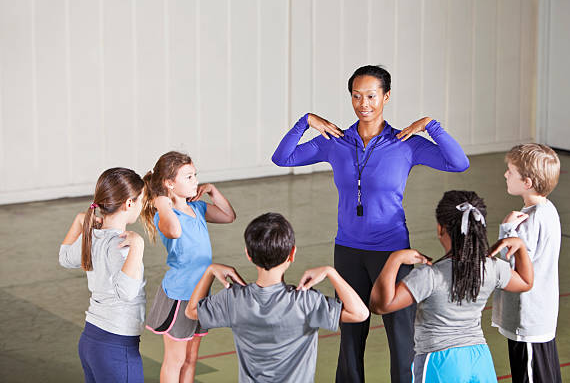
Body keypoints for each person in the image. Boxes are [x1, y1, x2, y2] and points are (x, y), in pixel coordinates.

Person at [271, 64, 469, 382]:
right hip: (348, 249)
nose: (364, 104)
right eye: (356, 96)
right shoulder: (335, 141)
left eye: (371, 96)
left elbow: (458, 162)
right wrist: (305, 122)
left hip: (391, 251)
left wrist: (431, 126)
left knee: (402, 338)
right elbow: (283, 158)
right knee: (350, 335)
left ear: (386, 97)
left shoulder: (404, 143)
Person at [370, 190, 534, 382]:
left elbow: (380, 305)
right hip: (479, 359)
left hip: (440, 361)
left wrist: (394, 259)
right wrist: (520, 247)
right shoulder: (491, 267)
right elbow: (525, 281)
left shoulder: (430, 276)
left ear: (441, 229)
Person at [184, 212, 369, 383]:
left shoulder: (233, 299)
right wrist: (331, 272)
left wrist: (209, 271)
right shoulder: (305, 302)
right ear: (292, 254)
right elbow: (360, 313)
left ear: (248, 254)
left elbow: (191, 312)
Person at [141, 151, 236, 383]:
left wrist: (213, 190)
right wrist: (162, 202)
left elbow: (228, 216)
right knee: (176, 360)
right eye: (189, 177)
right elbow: (174, 231)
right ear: (169, 183)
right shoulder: (164, 216)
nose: (195, 181)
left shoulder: (200, 209)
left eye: (195, 175)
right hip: (180, 295)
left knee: (192, 359)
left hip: (201, 293)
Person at [59, 167, 147, 383]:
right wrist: (138, 247)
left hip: (91, 341)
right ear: (128, 203)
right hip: (116, 348)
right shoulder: (123, 245)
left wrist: (80, 221)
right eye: (141, 200)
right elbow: (126, 292)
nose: (143, 205)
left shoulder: (92, 236)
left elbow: (64, 257)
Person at [492, 144, 562, 382]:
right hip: (540, 316)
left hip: (528, 319)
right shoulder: (548, 210)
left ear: (528, 182)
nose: (505, 175)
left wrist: (507, 229)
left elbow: (513, 270)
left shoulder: (529, 221)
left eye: (510, 171)